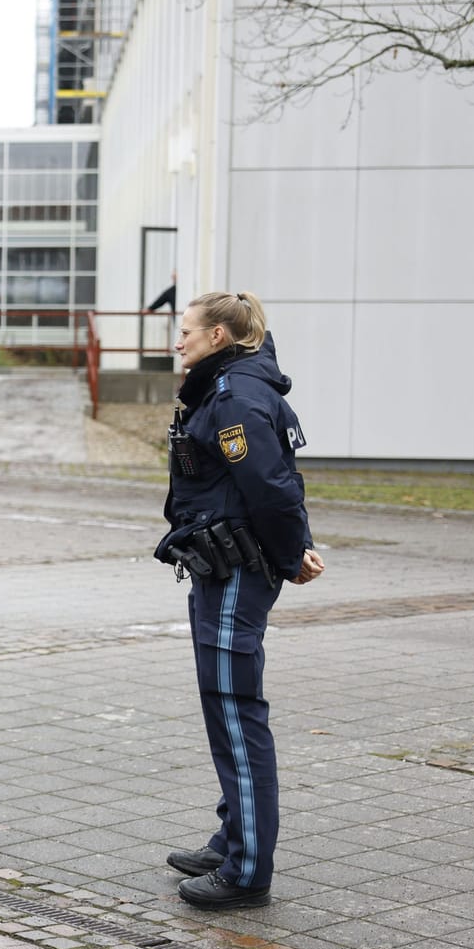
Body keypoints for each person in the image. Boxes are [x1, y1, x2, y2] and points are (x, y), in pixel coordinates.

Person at [155, 290, 324, 910]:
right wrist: (294, 547)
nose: (179, 341)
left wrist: (290, 554)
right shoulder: (225, 388)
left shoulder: (236, 398)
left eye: (187, 330)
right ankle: (232, 839)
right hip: (220, 565)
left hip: (237, 571)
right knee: (222, 707)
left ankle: (248, 869)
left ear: (220, 336)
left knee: (235, 709)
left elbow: (274, 488)